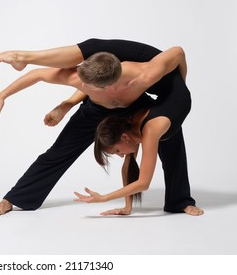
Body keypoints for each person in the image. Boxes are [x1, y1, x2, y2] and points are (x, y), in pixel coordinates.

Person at [0, 39, 200, 216]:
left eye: (88, 86)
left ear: (109, 84)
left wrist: (176, 92)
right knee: (58, 153)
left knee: (167, 137)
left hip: (133, 107)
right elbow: (38, 75)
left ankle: (179, 201)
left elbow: (178, 52)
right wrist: (2, 96)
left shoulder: (144, 76)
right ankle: (13, 199)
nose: (82, 85)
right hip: (95, 111)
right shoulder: (79, 78)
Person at [73, 72, 204, 215]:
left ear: (124, 137)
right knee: (164, 135)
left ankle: (182, 202)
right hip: (161, 109)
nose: (121, 156)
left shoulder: (151, 130)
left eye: (117, 151)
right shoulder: (129, 130)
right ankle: (178, 202)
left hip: (175, 88)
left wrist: (104, 198)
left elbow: (143, 183)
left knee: (172, 152)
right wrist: (127, 207)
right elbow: (127, 168)